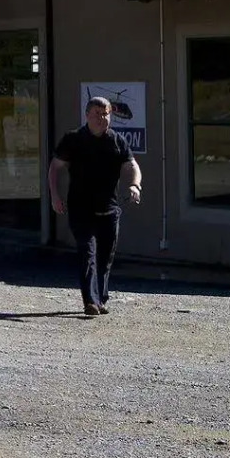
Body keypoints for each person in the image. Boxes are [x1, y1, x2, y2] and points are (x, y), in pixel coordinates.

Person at [50, 96, 143, 316]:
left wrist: (135, 185)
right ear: (87, 116)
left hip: (109, 210)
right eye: (97, 114)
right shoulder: (73, 139)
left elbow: (132, 165)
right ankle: (90, 301)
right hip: (80, 208)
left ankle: (100, 298)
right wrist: (54, 195)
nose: (102, 119)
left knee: (105, 257)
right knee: (87, 253)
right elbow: (55, 168)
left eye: (106, 114)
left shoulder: (117, 141)